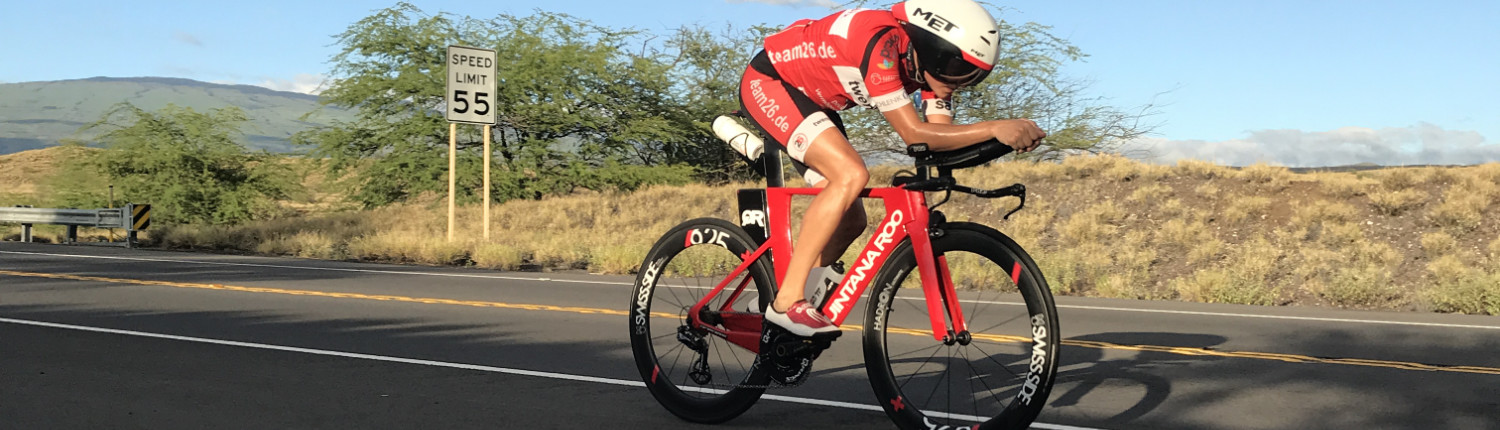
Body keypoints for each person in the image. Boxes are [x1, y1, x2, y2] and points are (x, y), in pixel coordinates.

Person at [729, 0, 1048, 337]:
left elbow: (935, 141)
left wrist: (1000, 143)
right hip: (770, 82)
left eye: (973, 75)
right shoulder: (881, 42)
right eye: (957, 67)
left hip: (813, 100)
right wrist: (995, 127)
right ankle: (786, 303)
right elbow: (914, 133)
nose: (960, 82)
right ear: (931, 47)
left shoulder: (927, 67)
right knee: (850, 174)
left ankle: (775, 306)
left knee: (852, 219)